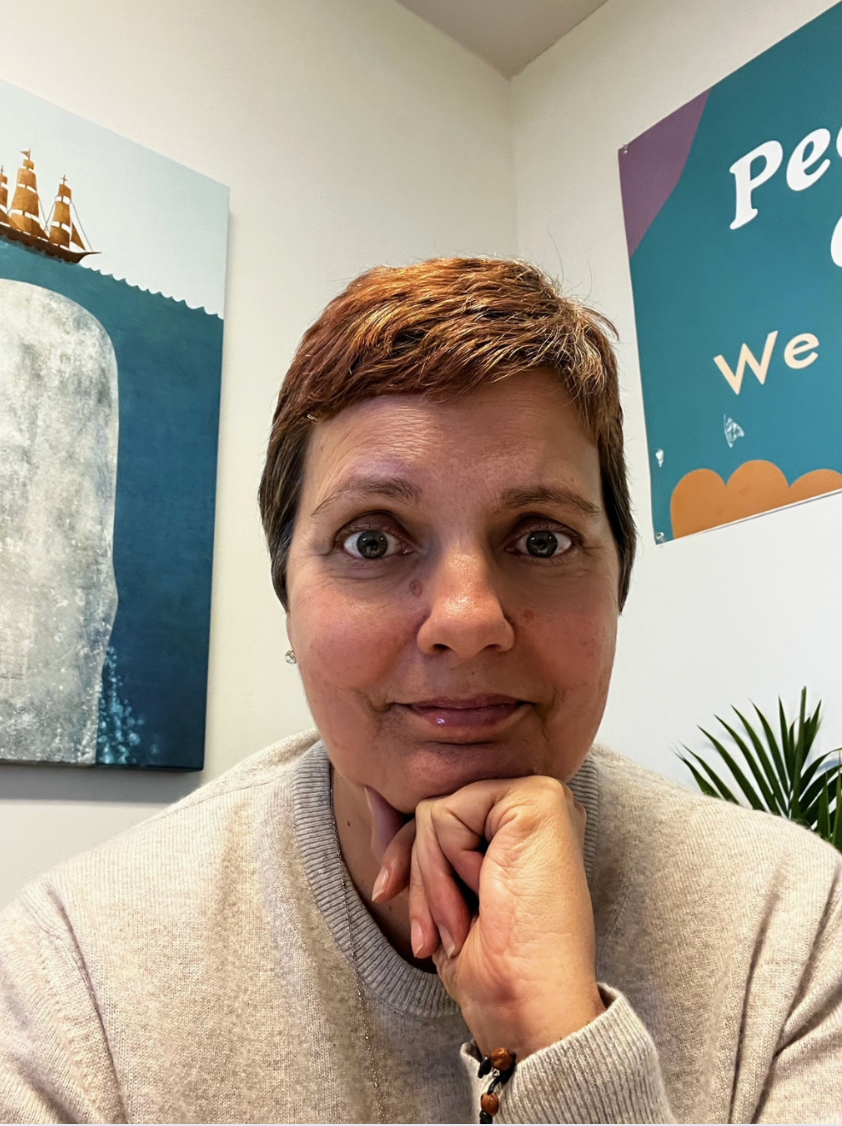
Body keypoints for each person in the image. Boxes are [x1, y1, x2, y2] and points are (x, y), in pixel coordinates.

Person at [0, 257, 840, 1125]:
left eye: (542, 540)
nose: (469, 618)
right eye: (372, 541)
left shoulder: (790, 935)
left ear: (618, 579)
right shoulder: (77, 978)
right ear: (289, 597)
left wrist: (554, 1043)